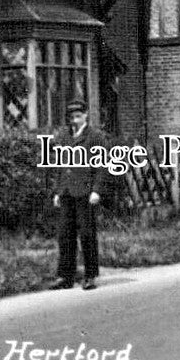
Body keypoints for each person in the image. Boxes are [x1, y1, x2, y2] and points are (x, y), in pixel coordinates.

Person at [51, 99, 107, 290]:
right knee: (65, 235)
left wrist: (96, 190)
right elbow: (61, 165)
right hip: (67, 191)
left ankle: (90, 275)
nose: (74, 120)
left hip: (85, 192)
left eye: (78, 116)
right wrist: (58, 191)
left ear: (85, 116)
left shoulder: (95, 137)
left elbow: (101, 166)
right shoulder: (65, 136)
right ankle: (65, 276)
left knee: (87, 234)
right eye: (71, 117)